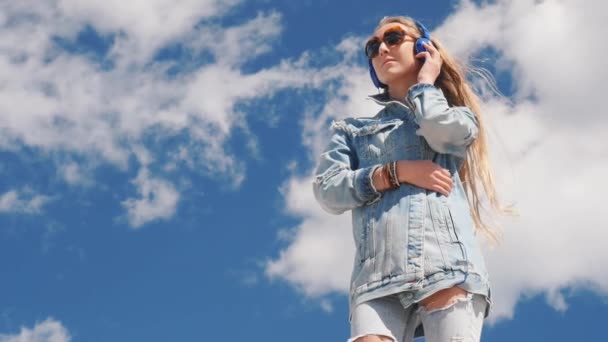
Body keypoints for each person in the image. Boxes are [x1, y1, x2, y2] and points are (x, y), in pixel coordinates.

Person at [312, 15, 509, 342]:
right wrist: (394, 172)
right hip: (374, 279)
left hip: (446, 267)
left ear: (422, 48)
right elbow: (328, 190)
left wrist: (424, 85)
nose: (381, 49)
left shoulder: (457, 117)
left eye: (393, 38)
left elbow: (439, 130)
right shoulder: (352, 132)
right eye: (372, 46)